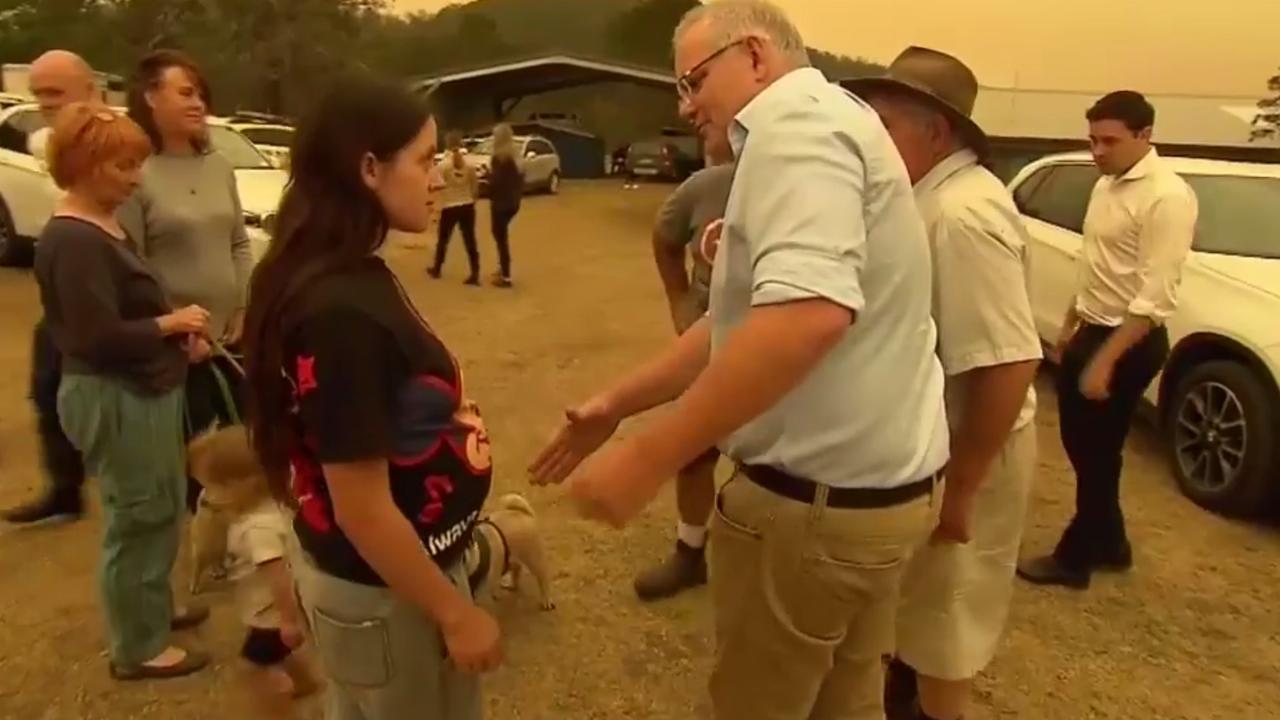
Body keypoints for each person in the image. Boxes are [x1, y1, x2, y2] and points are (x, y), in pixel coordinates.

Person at [529, 3, 950, 719]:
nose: (687, 106)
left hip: (815, 513)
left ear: (755, 57)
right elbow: (743, 323)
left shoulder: (797, 131)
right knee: (844, 698)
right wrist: (618, 404)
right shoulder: (825, 124)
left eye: (694, 82)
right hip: (876, 500)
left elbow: (805, 320)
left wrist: (650, 458)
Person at [242, 76, 500, 720]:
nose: (440, 177)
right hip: (388, 594)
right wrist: (455, 613)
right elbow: (362, 506)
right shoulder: (340, 313)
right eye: (424, 159)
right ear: (368, 168)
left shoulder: (341, 275)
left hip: (383, 582)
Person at [845, 48, 1042, 720]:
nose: (870, 139)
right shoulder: (928, 199)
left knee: (945, 635)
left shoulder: (963, 214)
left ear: (936, 130)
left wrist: (962, 488)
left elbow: (1008, 362)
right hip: (937, 447)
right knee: (916, 617)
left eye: (885, 125)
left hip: (968, 451)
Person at [36, 101, 212, 680]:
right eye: (122, 166)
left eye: (136, 164)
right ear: (84, 165)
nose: (135, 177)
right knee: (137, 515)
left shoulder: (103, 224)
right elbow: (95, 335)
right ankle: (137, 647)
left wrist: (175, 339)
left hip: (144, 389)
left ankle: (153, 612)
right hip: (114, 396)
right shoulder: (73, 239)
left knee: (160, 507)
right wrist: (172, 325)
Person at [1018, 91, 1197, 590]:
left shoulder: (1167, 196)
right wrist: (1072, 324)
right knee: (1085, 447)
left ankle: (1075, 557)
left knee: (1097, 451)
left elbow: (1154, 295)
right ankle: (1112, 542)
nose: (1098, 151)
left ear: (1145, 136)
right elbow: (1095, 263)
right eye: (1093, 139)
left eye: (1110, 141)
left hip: (1129, 341)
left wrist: (1105, 362)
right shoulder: (1106, 186)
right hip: (1093, 329)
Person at [120, 49, 253, 512]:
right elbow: (129, 264)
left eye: (201, 94)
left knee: (242, 442)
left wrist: (241, 306)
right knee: (194, 452)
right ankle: (202, 536)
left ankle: (246, 534)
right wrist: (175, 328)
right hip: (178, 342)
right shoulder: (133, 174)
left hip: (229, 335)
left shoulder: (218, 166)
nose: (198, 103)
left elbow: (238, 242)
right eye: (186, 92)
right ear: (150, 97)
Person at [633, 129, 734, 602]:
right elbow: (664, 235)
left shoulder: (811, 186)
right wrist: (679, 298)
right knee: (694, 450)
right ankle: (690, 552)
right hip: (707, 349)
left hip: (781, 350)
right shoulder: (706, 186)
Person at [2, 51, 97, 525]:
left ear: (90, 90)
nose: (43, 103)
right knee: (46, 388)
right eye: (37, 93)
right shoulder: (44, 141)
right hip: (61, 291)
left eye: (54, 93)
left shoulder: (113, 143)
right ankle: (65, 490)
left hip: (103, 290)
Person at [188, 427, 319, 718]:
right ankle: (306, 683)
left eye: (213, 486)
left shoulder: (257, 530)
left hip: (271, 614)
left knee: (254, 669)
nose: (209, 495)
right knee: (277, 655)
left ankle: (278, 711)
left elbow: (278, 575)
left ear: (240, 485)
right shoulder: (273, 508)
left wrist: (287, 621)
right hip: (274, 611)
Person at [428, 130, 481, 285]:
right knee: (470, 241)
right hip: (467, 206)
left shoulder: (443, 165)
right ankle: (475, 273)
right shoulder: (470, 165)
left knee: (443, 240)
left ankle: (437, 269)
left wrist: (431, 189)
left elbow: (439, 185)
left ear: (447, 144)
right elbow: (475, 189)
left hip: (450, 206)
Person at [486, 123, 523, 288]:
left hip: (500, 203)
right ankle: (502, 269)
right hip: (513, 203)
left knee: (500, 237)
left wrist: (487, 179)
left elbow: (496, 182)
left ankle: (506, 276)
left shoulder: (498, 158)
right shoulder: (515, 157)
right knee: (501, 236)